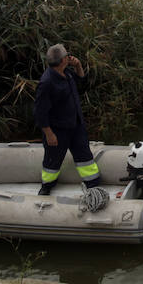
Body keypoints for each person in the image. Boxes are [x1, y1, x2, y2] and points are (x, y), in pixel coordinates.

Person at [33, 43, 101, 195]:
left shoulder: (67, 72)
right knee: (52, 160)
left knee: (84, 156)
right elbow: (40, 111)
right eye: (67, 55)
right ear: (63, 60)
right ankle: (47, 186)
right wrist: (49, 133)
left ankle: (93, 184)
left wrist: (78, 66)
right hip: (58, 130)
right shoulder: (47, 82)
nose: (69, 57)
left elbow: (82, 85)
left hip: (76, 126)